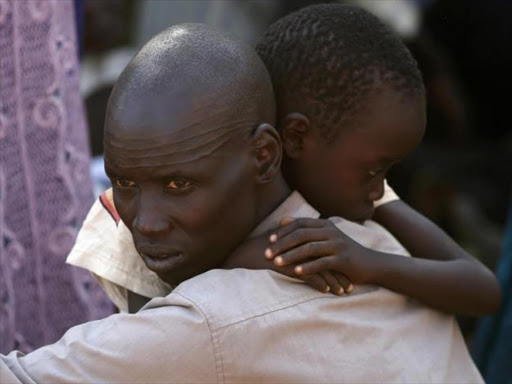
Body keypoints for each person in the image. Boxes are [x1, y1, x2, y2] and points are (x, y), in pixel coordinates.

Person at [1, 23, 483, 383]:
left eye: (178, 186)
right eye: (123, 182)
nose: (142, 223)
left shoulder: (215, 319)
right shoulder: (376, 235)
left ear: (267, 155)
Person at [68, 4, 499, 316]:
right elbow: (158, 321)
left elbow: (482, 291)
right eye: (372, 170)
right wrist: (249, 258)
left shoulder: (373, 197)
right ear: (287, 142)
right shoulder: (171, 202)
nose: (379, 186)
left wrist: (371, 263)